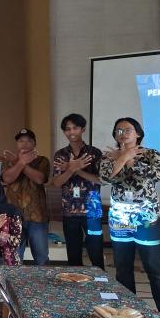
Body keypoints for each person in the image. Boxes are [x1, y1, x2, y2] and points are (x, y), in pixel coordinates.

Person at [99, 117, 160, 316]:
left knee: (154, 267)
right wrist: (121, 157)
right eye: (118, 130)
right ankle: (127, 314)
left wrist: (129, 159)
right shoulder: (109, 157)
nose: (122, 133)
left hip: (146, 218)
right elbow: (105, 178)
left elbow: (157, 175)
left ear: (138, 133)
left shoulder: (151, 154)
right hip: (120, 219)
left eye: (127, 130)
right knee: (122, 268)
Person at [52, 113, 105, 269]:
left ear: (83, 129)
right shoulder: (61, 154)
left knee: (96, 253)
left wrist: (77, 170)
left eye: (75, 128)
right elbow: (57, 182)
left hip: (92, 211)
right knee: (73, 255)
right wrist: (70, 170)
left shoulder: (94, 153)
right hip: (70, 211)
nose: (71, 132)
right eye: (67, 129)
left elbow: (101, 180)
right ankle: (77, 283)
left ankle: (100, 283)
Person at [1, 128, 50, 266]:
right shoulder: (8, 161)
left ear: (34, 143)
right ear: (16, 144)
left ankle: (44, 280)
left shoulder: (42, 160)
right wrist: (20, 162)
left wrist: (19, 162)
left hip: (37, 216)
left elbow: (40, 179)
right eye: (21, 141)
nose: (25, 144)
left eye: (29, 141)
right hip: (13, 216)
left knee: (41, 257)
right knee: (14, 257)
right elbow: (7, 178)